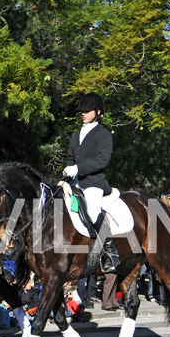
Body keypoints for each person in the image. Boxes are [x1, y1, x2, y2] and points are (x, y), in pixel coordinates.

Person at [63, 92, 118, 272]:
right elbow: (71, 158)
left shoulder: (103, 135)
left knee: (93, 212)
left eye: (87, 110)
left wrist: (78, 169)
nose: (83, 113)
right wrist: (69, 168)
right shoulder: (75, 135)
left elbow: (102, 161)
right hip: (74, 183)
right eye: (82, 111)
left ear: (98, 112)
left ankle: (111, 251)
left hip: (93, 182)